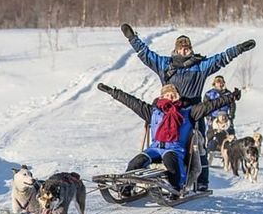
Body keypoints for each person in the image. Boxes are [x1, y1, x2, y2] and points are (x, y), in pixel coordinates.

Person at [119, 25, 256, 189]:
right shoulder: (165, 65)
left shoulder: (200, 66)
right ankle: (146, 176)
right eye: (181, 49)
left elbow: (221, 58)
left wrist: (239, 49)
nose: (184, 51)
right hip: (169, 112)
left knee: (199, 146)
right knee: (167, 145)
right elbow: (146, 54)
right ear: (175, 50)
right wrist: (132, 38)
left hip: (193, 113)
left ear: (191, 49)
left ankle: (202, 182)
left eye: (187, 48)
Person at [97, 81, 240, 197]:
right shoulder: (153, 111)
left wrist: (231, 97)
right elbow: (132, 102)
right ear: (161, 97)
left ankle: (177, 187)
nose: (171, 97)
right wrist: (113, 92)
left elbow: (211, 105)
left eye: (173, 94)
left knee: (170, 162)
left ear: (178, 96)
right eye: (167, 94)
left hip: (175, 149)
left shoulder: (188, 112)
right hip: (154, 149)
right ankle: (126, 188)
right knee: (136, 162)